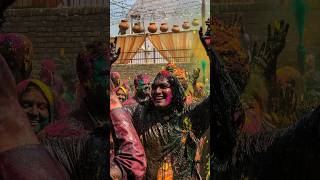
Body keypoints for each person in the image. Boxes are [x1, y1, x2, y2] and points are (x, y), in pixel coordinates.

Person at [40, 41, 146, 179]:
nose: (109, 82)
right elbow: (133, 165)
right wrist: (113, 101)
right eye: (104, 74)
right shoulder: (69, 133)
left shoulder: (105, 121)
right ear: (85, 80)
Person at [123, 68, 210, 179]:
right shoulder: (141, 113)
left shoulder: (189, 115)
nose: (157, 91)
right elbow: (117, 112)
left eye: (163, 87)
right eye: (154, 87)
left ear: (174, 90)